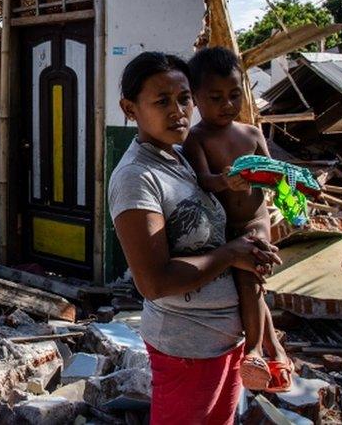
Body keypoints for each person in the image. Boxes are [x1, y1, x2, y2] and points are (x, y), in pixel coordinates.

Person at [108, 51, 280, 424]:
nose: (178, 111)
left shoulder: (181, 157)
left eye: (184, 98)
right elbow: (154, 282)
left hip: (224, 341)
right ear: (130, 108)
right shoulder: (137, 177)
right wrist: (233, 253)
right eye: (162, 101)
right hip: (187, 348)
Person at [182, 47, 292, 392]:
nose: (228, 104)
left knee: (250, 284)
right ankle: (275, 351)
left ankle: (255, 351)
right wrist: (225, 180)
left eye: (234, 95)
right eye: (216, 97)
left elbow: (275, 174)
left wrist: (292, 197)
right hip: (223, 229)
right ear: (196, 98)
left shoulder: (253, 134)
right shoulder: (196, 138)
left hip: (256, 221)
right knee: (252, 290)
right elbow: (203, 180)